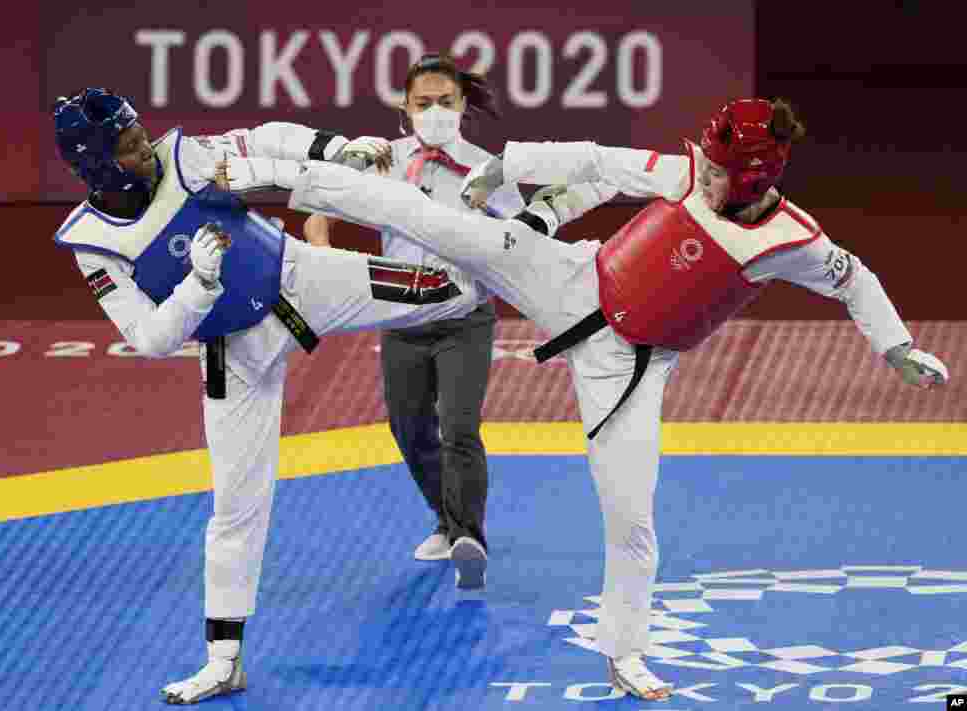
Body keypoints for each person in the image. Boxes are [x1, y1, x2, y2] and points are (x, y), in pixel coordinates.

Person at [216, 97, 950, 701]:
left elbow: (855, 278)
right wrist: (512, 165)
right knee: (428, 218)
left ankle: (625, 654)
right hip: (570, 279)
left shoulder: (792, 239)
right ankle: (261, 169)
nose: (708, 175)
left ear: (760, 178)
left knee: (632, 516)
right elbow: (599, 161)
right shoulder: (688, 172)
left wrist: (896, 347)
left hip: (628, 369)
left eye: (725, 171)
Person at [51, 88, 486, 705]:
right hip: (233, 358)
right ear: (96, 163)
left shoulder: (188, 159)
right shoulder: (95, 243)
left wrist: (336, 149)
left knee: (447, 288)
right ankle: (224, 660)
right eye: (125, 143)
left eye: (138, 130)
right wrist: (199, 286)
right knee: (235, 511)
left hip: (299, 279)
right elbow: (150, 337)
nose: (142, 143)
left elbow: (264, 142)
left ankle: (553, 279)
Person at [303, 54, 524, 588]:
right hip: (400, 315)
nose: (434, 112)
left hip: (465, 316)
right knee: (408, 427)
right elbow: (318, 215)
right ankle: (447, 520)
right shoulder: (383, 161)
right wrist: (325, 254)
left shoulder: (488, 167)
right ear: (405, 107)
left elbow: (524, 239)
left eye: (445, 102)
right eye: (422, 103)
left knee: (460, 425)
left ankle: (470, 536)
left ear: (463, 105)